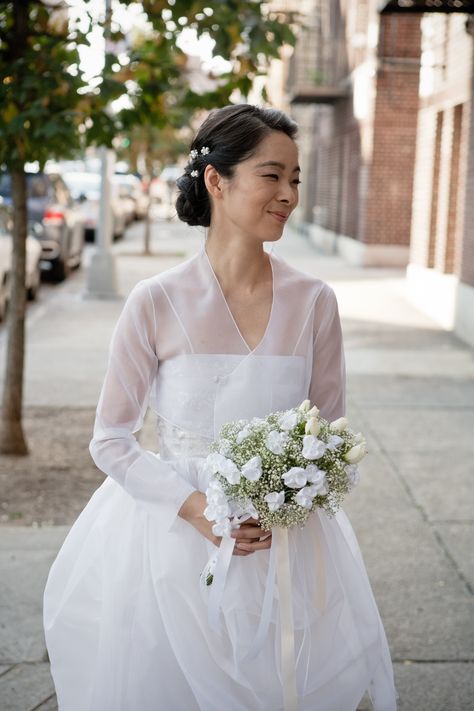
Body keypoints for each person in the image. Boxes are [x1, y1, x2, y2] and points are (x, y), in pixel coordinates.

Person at [43, 104, 397, 711]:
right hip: (174, 541)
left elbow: (335, 437)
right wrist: (199, 510)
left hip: (286, 544)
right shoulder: (155, 301)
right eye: (272, 175)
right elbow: (111, 439)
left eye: (296, 179)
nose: (288, 194)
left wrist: (295, 497)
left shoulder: (315, 302)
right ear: (216, 180)